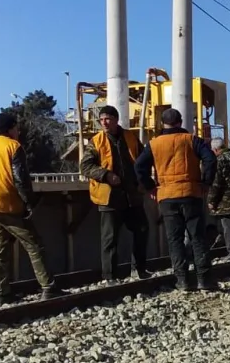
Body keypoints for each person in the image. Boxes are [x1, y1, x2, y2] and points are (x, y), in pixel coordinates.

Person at [0, 112, 59, 306]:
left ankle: (1, 294)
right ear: (11, 128)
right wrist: (29, 202)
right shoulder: (13, 147)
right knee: (34, 245)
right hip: (10, 205)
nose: (18, 131)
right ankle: (48, 287)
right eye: (16, 127)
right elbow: (21, 179)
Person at [135, 107, 217, 291]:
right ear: (180, 122)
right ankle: (204, 279)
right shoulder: (192, 140)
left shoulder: (154, 144)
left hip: (166, 196)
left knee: (175, 239)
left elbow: (139, 166)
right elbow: (210, 159)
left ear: (162, 124)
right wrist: (206, 182)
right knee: (197, 237)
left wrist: (150, 187)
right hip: (191, 194)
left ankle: (182, 280)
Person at [80, 105, 149, 281]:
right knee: (110, 238)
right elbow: (85, 166)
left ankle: (139, 269)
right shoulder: (96, 141)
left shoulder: (130, 137)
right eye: (101, 120)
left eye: (107, 119)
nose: (104, 123)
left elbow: (143, 159)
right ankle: (110, 276)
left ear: (116, 120)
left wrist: (144, 181)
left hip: (132, 194)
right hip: (108, 196)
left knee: (142, 229)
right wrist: (106, 175)